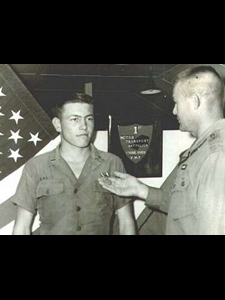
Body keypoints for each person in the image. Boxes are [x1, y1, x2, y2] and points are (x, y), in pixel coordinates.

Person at [99, 66, 225, 235]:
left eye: (176, 103)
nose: (174, 111)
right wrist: (140, 190)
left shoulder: (216, 155)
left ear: (195, 101)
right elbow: (188, 207)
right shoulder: (203, 151)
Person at [12, 93, 136, 235]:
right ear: (58, 124)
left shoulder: (112, 163)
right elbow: (22, 228)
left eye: (89, 119)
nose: (84, 126)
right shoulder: (36, 167)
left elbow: (126, 223)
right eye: (75, 119)